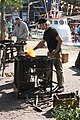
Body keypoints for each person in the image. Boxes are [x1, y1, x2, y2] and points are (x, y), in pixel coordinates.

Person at [34, 18, 64, 92]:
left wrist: (56, 50)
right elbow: (42, 42)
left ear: (45, 24)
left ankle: (61, 86)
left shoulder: (52, 30)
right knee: (48, 68)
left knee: (58, 70)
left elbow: (60, 40)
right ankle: (48, 82)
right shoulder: (45, 33)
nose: (40, 26)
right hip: (51, 53)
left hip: (56, 53)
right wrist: (33, 49)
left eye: (41, 25)